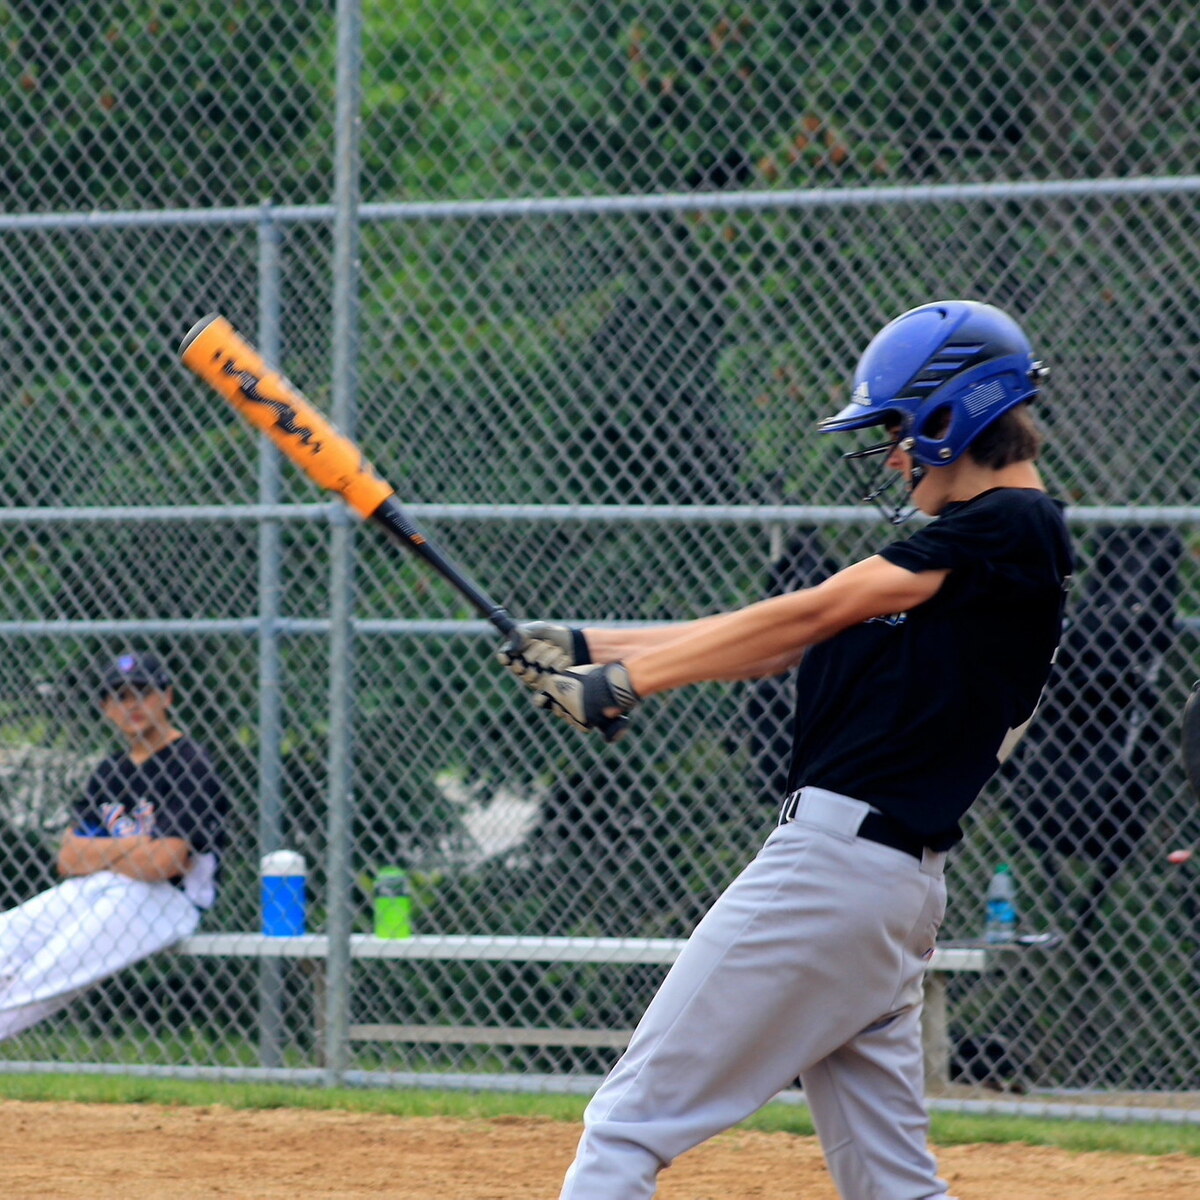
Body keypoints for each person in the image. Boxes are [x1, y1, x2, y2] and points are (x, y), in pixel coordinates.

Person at [500, 300, 1074, 1200]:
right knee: (894, 1185)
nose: (891, 453)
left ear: (952, 416)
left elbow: (812, 609)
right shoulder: (972, 561)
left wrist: (624, 683)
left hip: (833, 876)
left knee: (625, 1127)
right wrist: (594, 646)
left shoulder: (1012, 527)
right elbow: (778, 642)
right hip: (882, 893)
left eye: (898, 429)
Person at [0, 651, 228, 1041]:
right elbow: (70, 860)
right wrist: (137, 846)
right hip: (97, 889)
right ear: (106, 708)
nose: (132, 705)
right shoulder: (111, 770)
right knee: (8, 936)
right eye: (120, 696)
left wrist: (105, 853)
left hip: (168, 902)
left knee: (45, 976)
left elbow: (165, 864)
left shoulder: (190, 764)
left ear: (167, 697)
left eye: (143, 692)